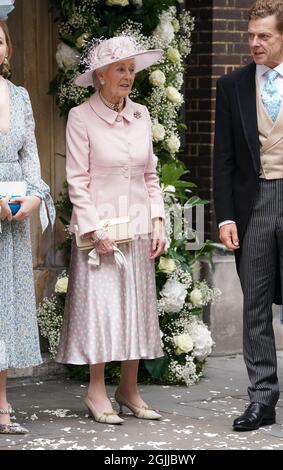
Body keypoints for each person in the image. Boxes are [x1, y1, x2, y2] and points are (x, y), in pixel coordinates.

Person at [56, 36, 166, 425]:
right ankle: (97, 390)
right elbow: (77, 181)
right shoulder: (80, 116)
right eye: (120, 68)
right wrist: (94, 228)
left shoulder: (141, 114)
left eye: (132, 69)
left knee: (135, 308)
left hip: (136, 225)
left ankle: (129, 389)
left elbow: (151, 175)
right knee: (101, 312)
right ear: (99, 75)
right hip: (98, 232)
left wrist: (158, 219)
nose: (128, 76)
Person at [213, 0, 283, 432]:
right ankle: (262, 399)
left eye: (263, 35)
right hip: (253, 206)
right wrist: (225, 217)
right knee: (255, 308)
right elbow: (223, 160)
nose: (254, 43)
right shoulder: (231, 86)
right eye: (250, 35)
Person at [0, 19, 55, 434]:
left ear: (8, 48)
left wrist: (35, 196)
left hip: (14, 221)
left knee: (6, 311)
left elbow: (31, 156)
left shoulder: (18, 97)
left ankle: (1, 404)